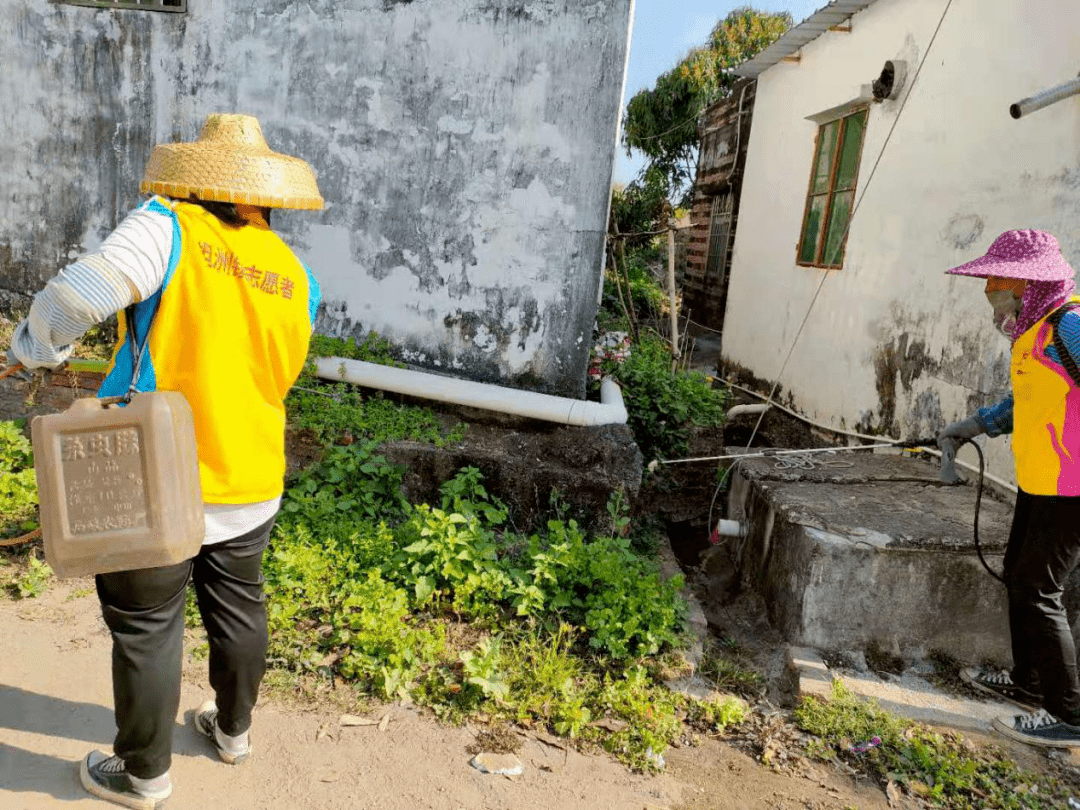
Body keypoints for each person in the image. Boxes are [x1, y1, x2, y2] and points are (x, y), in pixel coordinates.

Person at [5, 113, 323, 807]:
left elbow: (75, 298)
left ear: (189, 182)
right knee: (240, 607)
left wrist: (35, 348)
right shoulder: (296, 274)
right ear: (263, 197)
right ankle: (233, 732)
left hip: (151, 472)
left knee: (147, 625)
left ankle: (144, 776)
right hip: (251, 472)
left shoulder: (167, 225)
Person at [937, 228, 1080, 748]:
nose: (993, 295)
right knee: (1018, 576)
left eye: (1000, 284)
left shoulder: (1072, 325)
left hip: (1074, 488)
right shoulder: (1038, 334)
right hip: (1042, 478)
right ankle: (1029, 682)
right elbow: (1028, 405)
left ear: (1029, 284)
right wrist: (972, 426)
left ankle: (1067, 716)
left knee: (1040, 590)